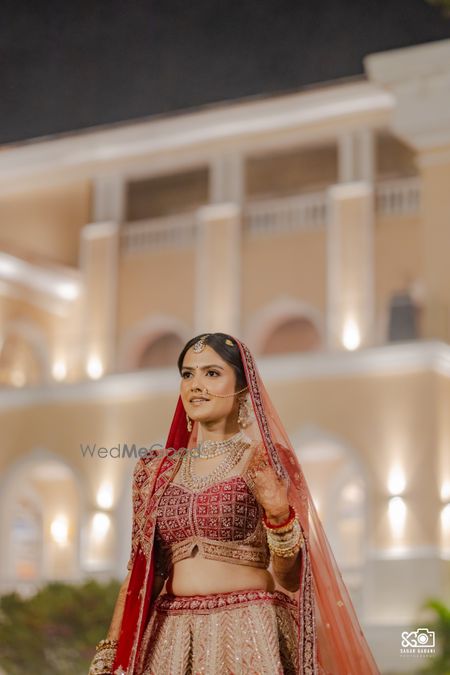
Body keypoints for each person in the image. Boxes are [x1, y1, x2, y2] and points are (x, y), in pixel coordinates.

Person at [88, 333, 380, 674]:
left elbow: (291, 579)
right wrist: (110, 654)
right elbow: (140, 575)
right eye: (187, 374)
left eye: (212, 373)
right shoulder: (155, 471)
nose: (196, 385)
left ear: (243, 388)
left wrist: (279, 515)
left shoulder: (265, 462)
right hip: (170, 639)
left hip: (248, 631)